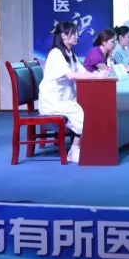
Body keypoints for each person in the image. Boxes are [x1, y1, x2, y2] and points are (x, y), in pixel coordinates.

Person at [38, 21, 102, 163]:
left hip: (65, 100)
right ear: (64, 36)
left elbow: (82, 72)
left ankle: (82, 146)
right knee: (81, 111)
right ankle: (74, 149)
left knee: (88, 108)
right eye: (74, 33)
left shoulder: (70, 53)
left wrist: (97, 74)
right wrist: (95, 76)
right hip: (52, 102)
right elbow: (71, 75)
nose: (77, 36)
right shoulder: (56, 54)